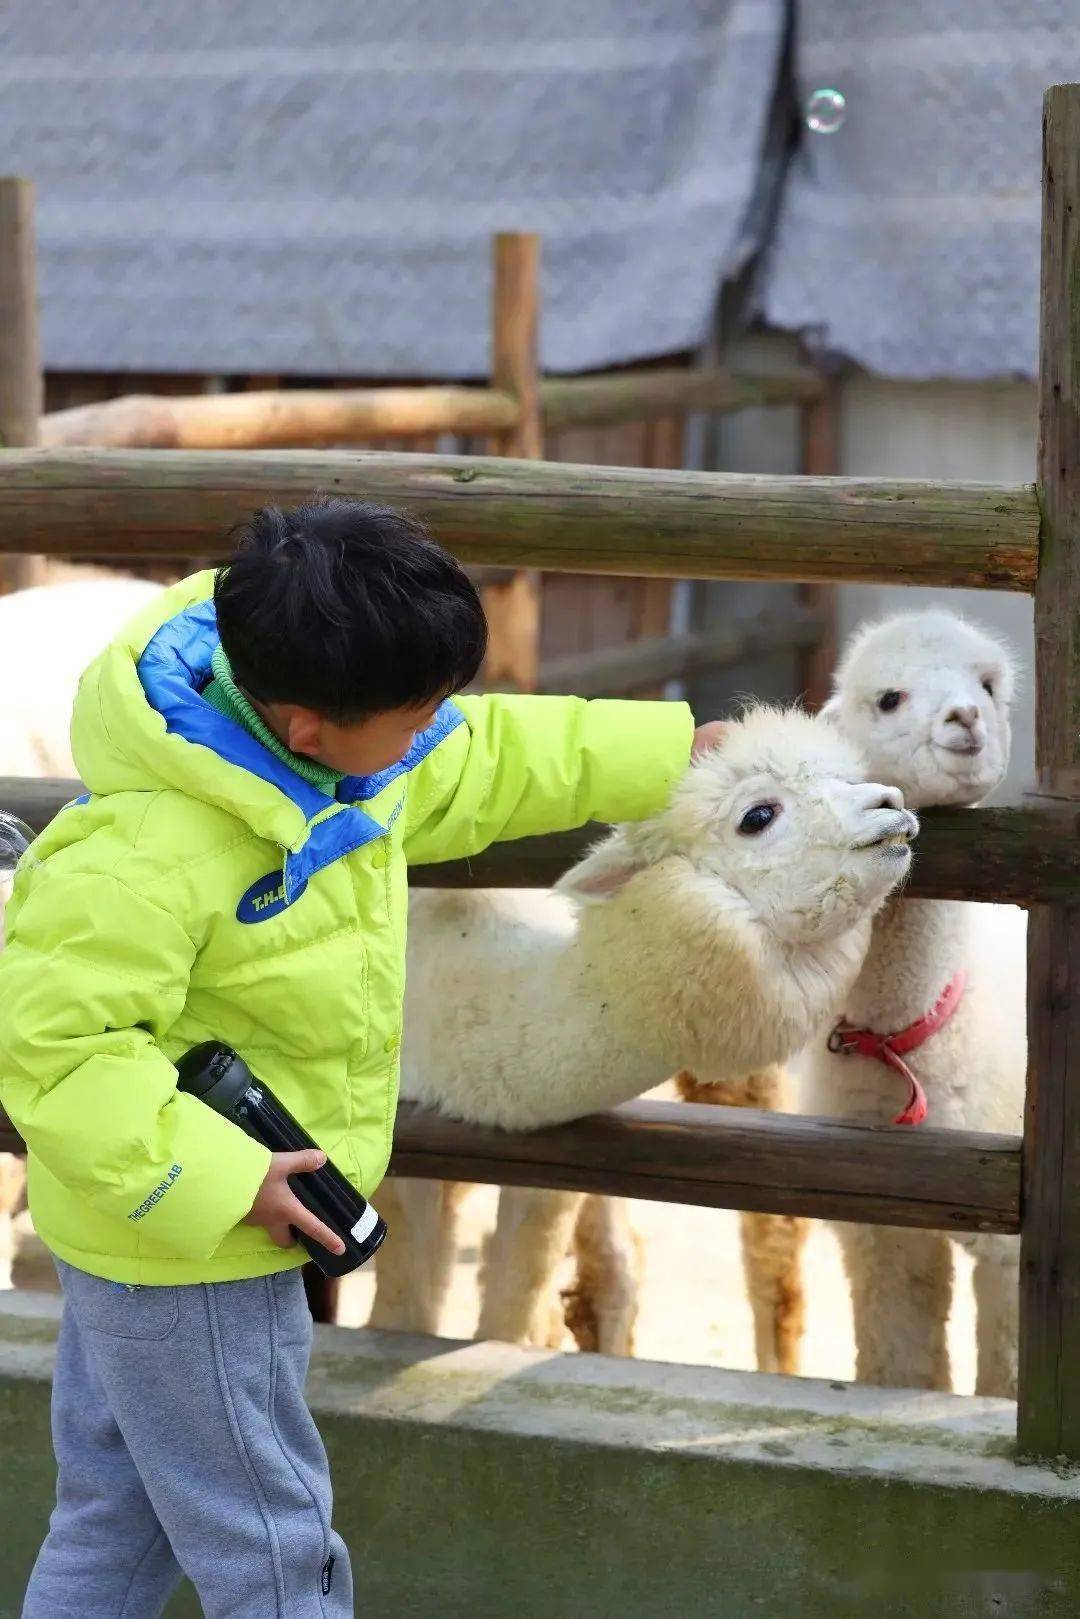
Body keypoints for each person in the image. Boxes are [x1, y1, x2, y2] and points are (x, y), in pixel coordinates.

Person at [0, 498, 719, 1618]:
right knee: (276, 1552)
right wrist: (236, 1178)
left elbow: (492, 758)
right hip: (199, 1244)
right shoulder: (145, 849)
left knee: (117, 1519)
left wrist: (677, 755)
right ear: (304, 727)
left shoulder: (349, 754)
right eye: (419, 709)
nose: (439, 726)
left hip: (146, 1228)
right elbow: (58, 1047)